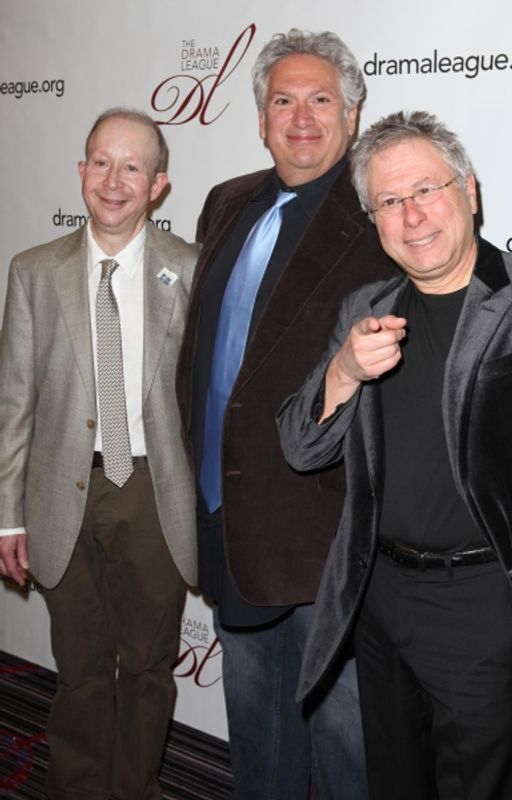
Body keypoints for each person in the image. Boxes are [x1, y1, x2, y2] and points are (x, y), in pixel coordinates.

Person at [277, 110, 512, 800]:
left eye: (427, 189)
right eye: (389, 201)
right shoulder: (366, 308)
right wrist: (343, 370)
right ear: (374, 220)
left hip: (489, 606)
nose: (412, 215)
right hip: (381, 602)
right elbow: (300, 448)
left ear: (469, 190)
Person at [176, 29, 396, 799]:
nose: (301, 118)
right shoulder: (226, 202)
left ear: (353, 113)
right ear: (261, 118)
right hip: (227, 520)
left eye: (321, 100)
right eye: (283, 101)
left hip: (324, 539)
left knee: (347, 754)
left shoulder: (382, 212)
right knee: (259, 739)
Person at [0, 108, 198, 800]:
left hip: (153, 494)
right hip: (60, 491)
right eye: (102, 163)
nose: (114, 180)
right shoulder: (33, 271)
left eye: (132, 167)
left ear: (158, 184)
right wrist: (7, 517)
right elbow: (13, 403)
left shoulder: (192, 269)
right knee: (80, 667)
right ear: (81, 171)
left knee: (146, 667)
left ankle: (132, 788)